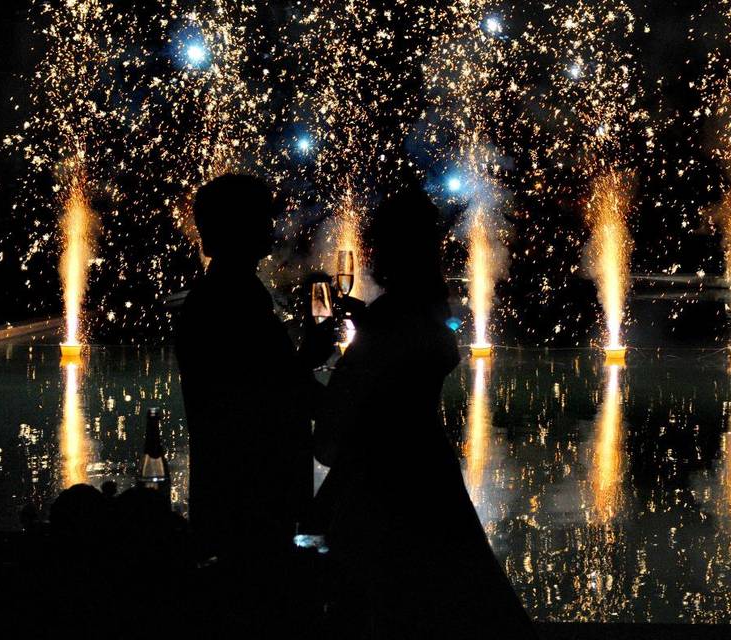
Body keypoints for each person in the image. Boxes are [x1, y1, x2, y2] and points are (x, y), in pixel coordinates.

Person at [313, 181, 537, 638]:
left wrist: (301, 367)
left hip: (383, 489)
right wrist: (371, 323)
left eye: (377, 239)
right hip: (427, 473)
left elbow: (336, 430)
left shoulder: (390, 324)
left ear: (389, 249)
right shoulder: (424, 313)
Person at [175, 174, 335, 562]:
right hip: (250, 498)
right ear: (239, 225)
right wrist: (315, 361)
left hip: (235, 496)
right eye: (263, 217)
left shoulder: (225, 293)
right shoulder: (234, 299)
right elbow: (268, 394)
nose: (272, 226)